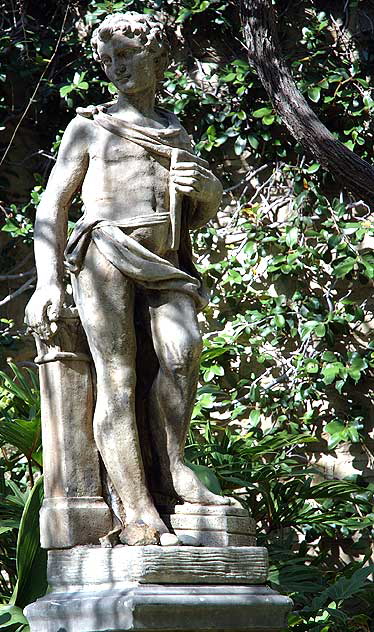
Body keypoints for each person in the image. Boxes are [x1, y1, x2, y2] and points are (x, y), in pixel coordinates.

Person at [25, 11, 229, 534]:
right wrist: (48, 280)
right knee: (115, 375)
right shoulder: (89, 127)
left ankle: (175, 468)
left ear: (158, 57)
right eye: (110, 59)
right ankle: (137, 507)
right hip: (103, 251)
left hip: (164, 262)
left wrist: (205, 190)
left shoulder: (175, 132)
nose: (118, 67)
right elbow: (52, 206)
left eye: (129, 55)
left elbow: (194, 214)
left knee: (183, 352)